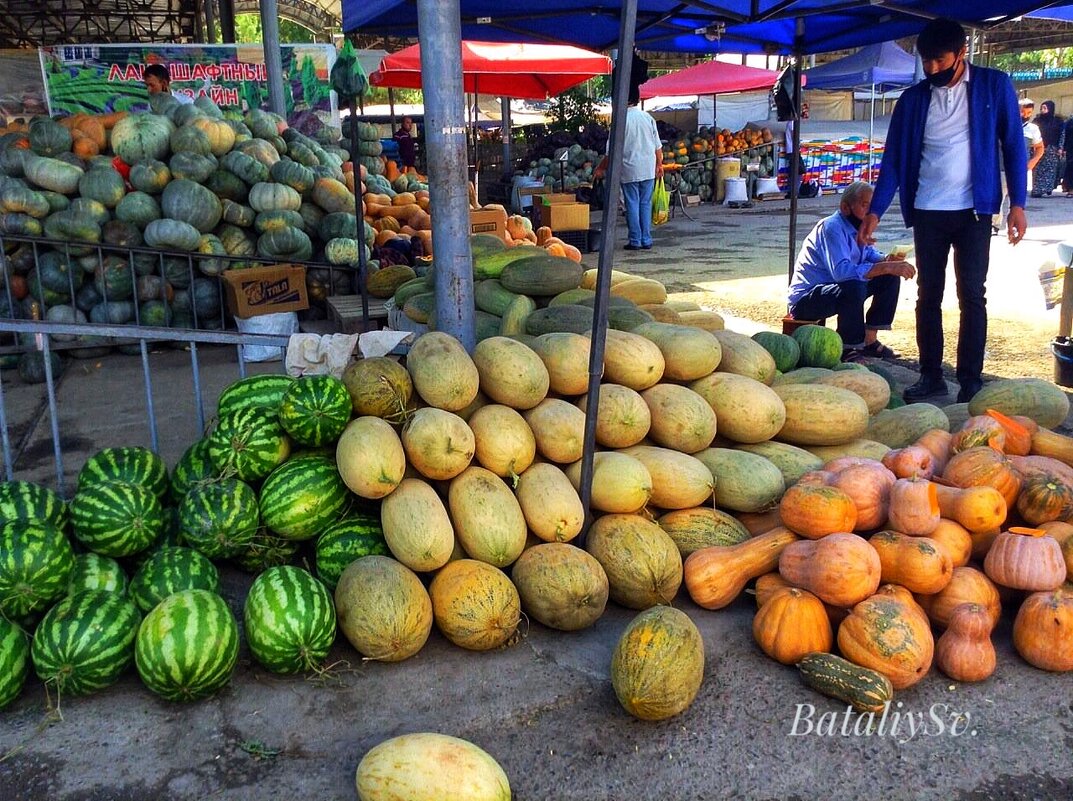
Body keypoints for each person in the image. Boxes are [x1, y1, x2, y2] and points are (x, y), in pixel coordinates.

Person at [858, 17, 1028, 404]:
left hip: (974, 211)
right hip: (928, 211)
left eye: (940, 60)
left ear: (961, 53)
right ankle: (931, 376)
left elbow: (1014, 146)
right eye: (926, 61)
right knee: (927, 295)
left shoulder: (993, 86)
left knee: (973, 295)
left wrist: (1018, 203)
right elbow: (895, 162)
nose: (932, 68)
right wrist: (875, 211)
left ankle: (970, 380)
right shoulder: (913, 100)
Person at [788, 182, 915, 361]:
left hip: (833, 290)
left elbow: (868, 253)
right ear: (845, 207)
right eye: (865, 206)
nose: (870, 212)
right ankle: (849, 347)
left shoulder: (858, 227)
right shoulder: (831, 228)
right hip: (806, 300)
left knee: (889, 277)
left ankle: (869, 340)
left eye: (872, 207)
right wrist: (884, 266)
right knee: (853, 286)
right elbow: (842, 272)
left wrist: (886, 260)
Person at [594, 86, 662, 250]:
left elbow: (611, 153)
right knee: (645, 203)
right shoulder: (648, 118)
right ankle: (646, 240)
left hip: (629, 168)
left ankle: (635, 241)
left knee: (632, 204)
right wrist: (659, 165)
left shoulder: (619, 121)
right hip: (648, 169)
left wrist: (600, 168)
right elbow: (658, 148)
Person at [1032, 100, 1064, 197]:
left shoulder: (1057, 122)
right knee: (1037, 170)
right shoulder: (1037, 121)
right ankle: (1037, 190)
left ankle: (1046, 188)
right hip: (1038, 148)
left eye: (1045, 108)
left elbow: (1062, 135)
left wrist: (1060, 148)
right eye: (1042, 108)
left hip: (1051, 149)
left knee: (1050, 170)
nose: (1042, 110)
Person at [1021, 99, 1045, 195]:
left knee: (1017, 204)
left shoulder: (1032, 129)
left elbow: (1040, 147)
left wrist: (1031, 164)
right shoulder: (1005, 125)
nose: (1025, 115)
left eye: (1029, 112)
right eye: (1022, 112)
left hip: (1021, 169)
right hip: (1001, 169)